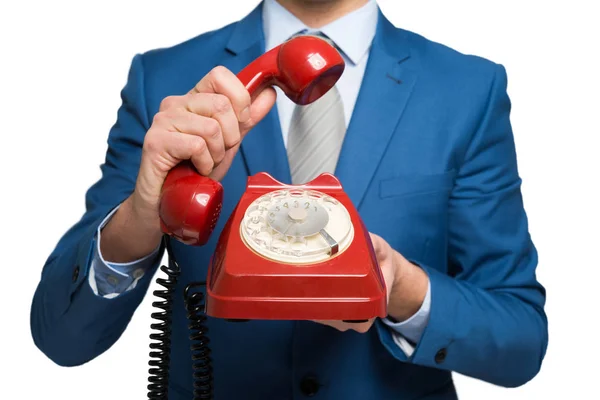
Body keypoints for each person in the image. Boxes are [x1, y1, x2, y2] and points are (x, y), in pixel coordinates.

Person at [30, 0, 548, 398]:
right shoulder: (163, 82)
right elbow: (61, 337)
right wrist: (145, 213)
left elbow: (521, 339)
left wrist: (402, 288)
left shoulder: (466, 90)